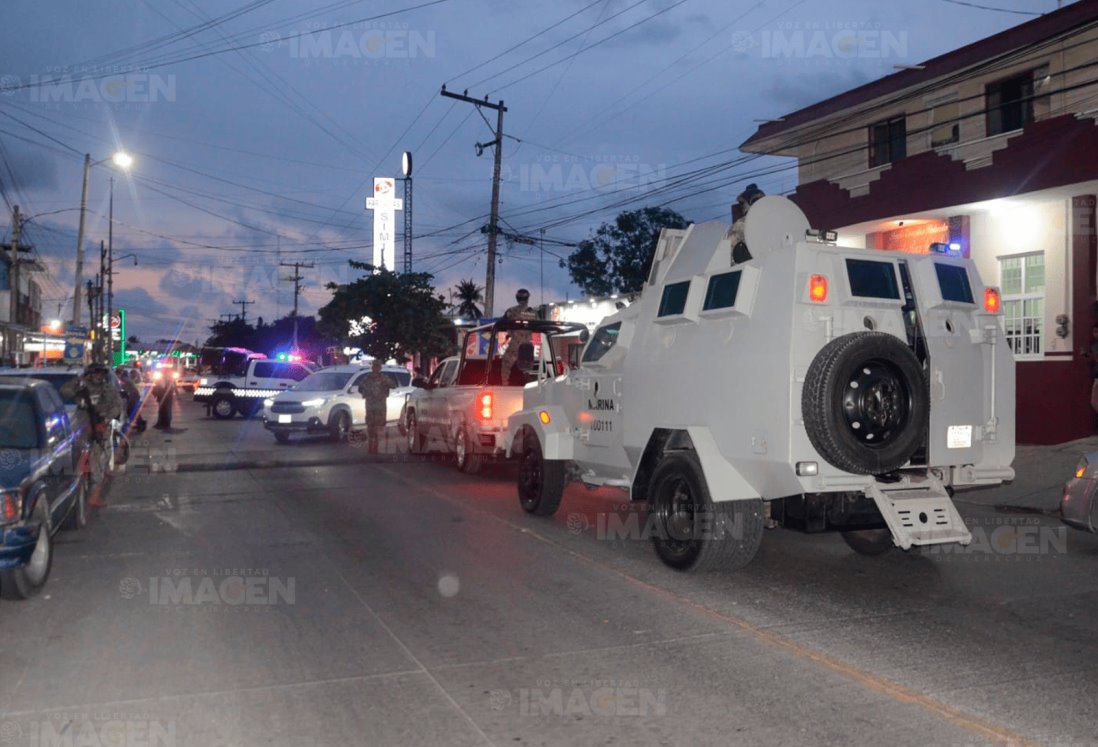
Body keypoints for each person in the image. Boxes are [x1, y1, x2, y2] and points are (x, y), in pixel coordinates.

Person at [61, 363, 124, 507]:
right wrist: (79, 380)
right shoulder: (81, 387)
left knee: (101, 460)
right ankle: (84, 493)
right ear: (89, 374)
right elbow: (64, 391)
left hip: (101, 429)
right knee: (83, 462)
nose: (99, 376)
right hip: (82, 429)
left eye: (101, 373)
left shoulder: (108, 389)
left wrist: (106, 420)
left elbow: (117, 406)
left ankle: (94, 494)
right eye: (95, 373)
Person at [501, 288, 537, 385]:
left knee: (505, 365)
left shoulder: (511, 311)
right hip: (528, 346)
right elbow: (536, 326)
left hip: (515, 346)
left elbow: (502, 323)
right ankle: (530, 385)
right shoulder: (533, 313)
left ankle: (504, 385)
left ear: (517, 298)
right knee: (526, 367)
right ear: (527, 299)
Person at [357, 359, 394, 454]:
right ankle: (373, 445)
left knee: (375, 425)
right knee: (374, 425)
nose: (376, 368)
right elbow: (393, 385)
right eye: (376, 367)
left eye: (377, 367)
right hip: (377, 405)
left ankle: (374, 445)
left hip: (374, 405)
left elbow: (360, 389)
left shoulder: (368, 378)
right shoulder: (381, 378)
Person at [727, 183, 765, 264]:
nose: (742, 206)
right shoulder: (740, 224)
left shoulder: (741, 224)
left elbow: (727, 252)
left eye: (743, 203)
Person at [1084, 322, 1098, 414]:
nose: (1095, 334)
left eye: (1097, 331)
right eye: (1094, 332)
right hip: (1097, 376)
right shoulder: (1093, 346)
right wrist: (1087, 355)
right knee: (1094, 402)